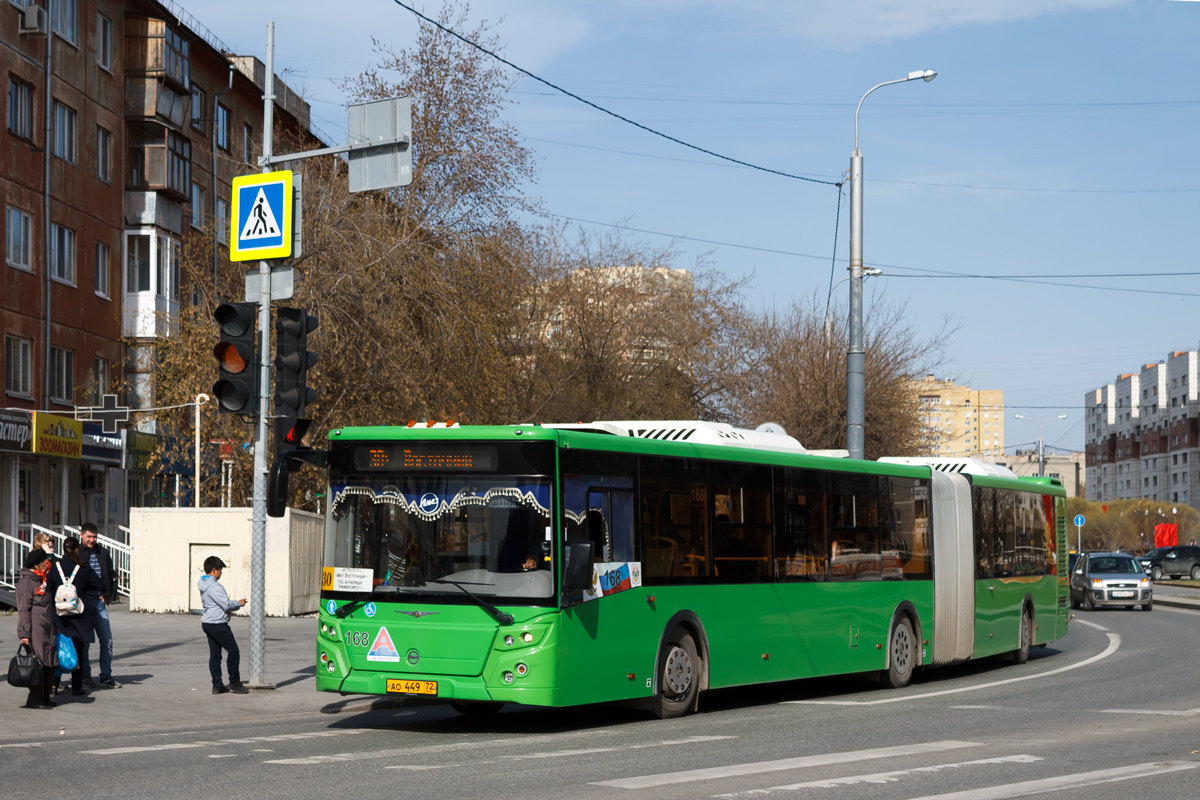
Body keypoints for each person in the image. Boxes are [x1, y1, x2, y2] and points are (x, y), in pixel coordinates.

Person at [49, 537, 105, 697]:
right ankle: (77, 686)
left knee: (59, 650)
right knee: (78, 650)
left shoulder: (55, 567)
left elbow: (49, 589)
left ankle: (53, 684)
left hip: (60, 615)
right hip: (79, 616)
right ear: (76, 549)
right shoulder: (83, 568)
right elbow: (101, 585)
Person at [198, 556, 249, 695]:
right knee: (233, 651)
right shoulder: (215, 586)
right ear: (214, 570)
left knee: (215, 655)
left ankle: (217, 685)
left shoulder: (203, 584)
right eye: (220, 570)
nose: (221, 573)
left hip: (208, 623)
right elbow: (226, 605)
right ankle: (234, 682)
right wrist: (239, 603)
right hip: (218, 624)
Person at [78, 522, 120, 689]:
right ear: (81, 535)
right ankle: (85, 676)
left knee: (107, 640)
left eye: (94, 537)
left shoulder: (102, 552)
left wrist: (108, 596)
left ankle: (106, 675)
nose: (92, 540)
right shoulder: (77, 553)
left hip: (99, 601)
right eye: (89, 537)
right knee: (85, 642)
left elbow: (109, 574)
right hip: (83, 602)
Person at [15, 550, 58, 709]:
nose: (48, 563)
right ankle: (34, 699)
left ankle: (45, 697)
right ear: (38, 563)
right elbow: (23, 609)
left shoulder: (41, 580)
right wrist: (24, 633)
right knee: (38, 664)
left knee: (50, 663)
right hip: (35, 629)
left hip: (47, 628)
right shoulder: (26, 582)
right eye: (45, 561)